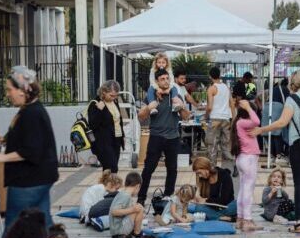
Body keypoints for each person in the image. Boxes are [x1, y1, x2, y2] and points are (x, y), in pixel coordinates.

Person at [250, 71, 300, 234]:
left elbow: (282, 122)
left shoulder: (292, 100)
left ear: (293, 85)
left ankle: (299, 223)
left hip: (299, 145)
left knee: (299, 184)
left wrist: (262, 129)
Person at [0, 66, 58, 230]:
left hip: (28, 181)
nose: (8, 94)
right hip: (40, 177)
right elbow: (27, 138)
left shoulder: (31, 114)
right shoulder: (29, 110)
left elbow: (31, 150)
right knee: (43, 221)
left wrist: (1, 157)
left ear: (23, 90)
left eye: (9, 90)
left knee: (13, 225)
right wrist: (4, 139)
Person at [136, 69, 191, 206]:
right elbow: (140, 117)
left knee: (172, 169)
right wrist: (148, 108)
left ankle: (167, 196)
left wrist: (182, 106)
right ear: (157, 81)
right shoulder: (151, 95)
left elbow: (185, 117)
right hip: (156, 136)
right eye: (162, 79)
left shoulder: (175, 94)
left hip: (173, 137)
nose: (166, 81)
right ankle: (141, 199)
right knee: (148, 168)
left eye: (167, 78)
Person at [231, 98, 261, 232]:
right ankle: (247, 220)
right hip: (248, 159)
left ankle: (240, 218)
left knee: (243, 190)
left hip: (242, 158)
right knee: (248, 190)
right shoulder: (244, 123)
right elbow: (257, 121)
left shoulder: (238, 122)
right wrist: (249, 107)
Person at [87, 80, 124, 173]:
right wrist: (99, 110)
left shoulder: (114, 102)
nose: (114, 98)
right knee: (112, 167)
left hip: (116, 139)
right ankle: (109, 186)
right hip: (103, 142)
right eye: (111, 95)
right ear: (104, 92)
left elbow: (119, 119)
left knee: (110, 168)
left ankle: (108, 186)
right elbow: (92, 124)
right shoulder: (95, 103)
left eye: (116, 95)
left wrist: (122, 135)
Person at [205, 66, 234, 172]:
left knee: (212, 144)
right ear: (220, 75)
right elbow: (232, 103)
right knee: (225, 145)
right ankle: (234, 165)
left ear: (210, 76)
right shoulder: (226, 87)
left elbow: (209, 107)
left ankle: (212, 169)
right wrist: (233, 118)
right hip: (226, 119)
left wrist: (205, 116)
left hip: (215, 119)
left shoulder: (211, 88)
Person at [190, 156, 237, 221]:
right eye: (197, 174)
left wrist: (206, 201)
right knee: (196, 208)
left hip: (226, 205)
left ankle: (213, 216)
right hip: (212, 207)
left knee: (237, 205)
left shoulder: (224, 175)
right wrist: (198, 198)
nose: (199, 176)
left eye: (199, 173)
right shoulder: (202, 179)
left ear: (205, 167)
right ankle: (224, 218)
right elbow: (201, 198)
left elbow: (225, 200)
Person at [109, 172, 145, 238]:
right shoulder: (125, 196)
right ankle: (137, 234)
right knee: (139, 208)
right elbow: (114, 212)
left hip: (116, 230)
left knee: (137, 208)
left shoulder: (123, 193)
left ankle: (134, 232)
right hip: (119, 231)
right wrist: (133, 209)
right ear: (138, 186)